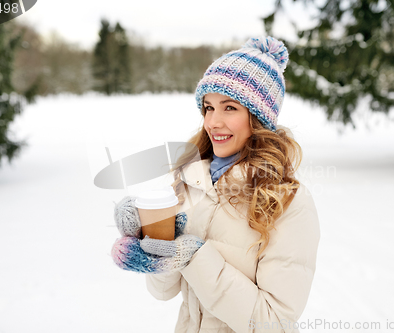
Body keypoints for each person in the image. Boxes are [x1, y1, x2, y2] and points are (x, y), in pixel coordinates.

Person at [111, 36, 320, 333]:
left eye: (229, 108)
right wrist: (154, 243)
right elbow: (163, 292)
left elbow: (275, 322)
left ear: (258, 117)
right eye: (208, 108)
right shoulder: (193, 180)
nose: (213, 122)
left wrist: (196, 257)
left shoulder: (288, 201)